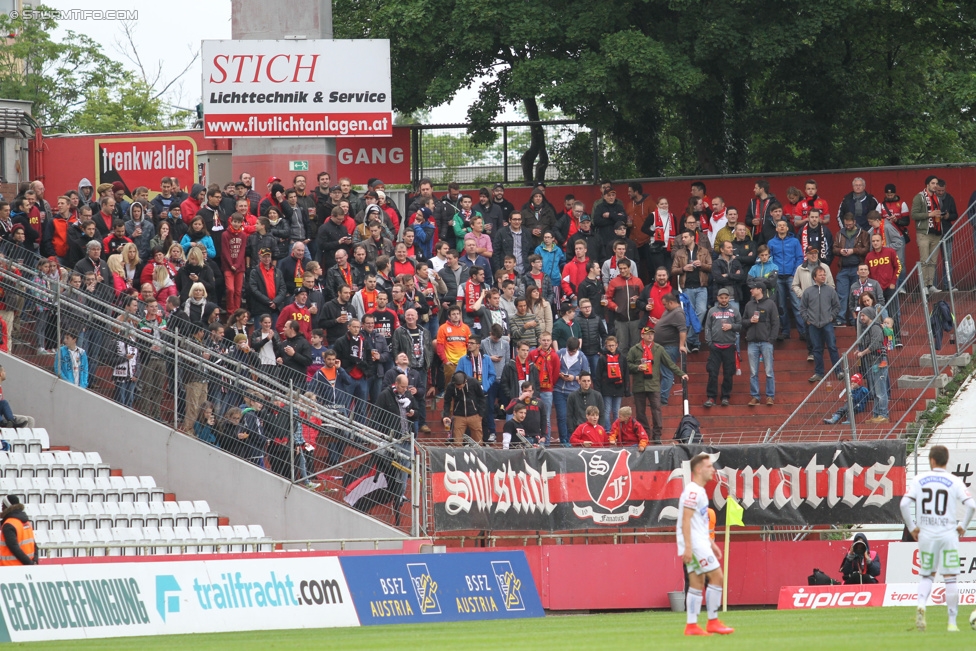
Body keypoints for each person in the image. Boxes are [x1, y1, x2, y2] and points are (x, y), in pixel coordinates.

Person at [900, 445, 976, 632]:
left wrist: (912, 528)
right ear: (946, 460)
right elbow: (971, 505)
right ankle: (952, 623)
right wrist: (963, 526)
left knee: (927, 576)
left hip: (926, 534)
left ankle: (921, 605)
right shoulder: (954, 481)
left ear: (931, 460)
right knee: (950, 579)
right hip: (948, 534)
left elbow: (903, 504)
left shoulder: (920, 480)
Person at [678, 453, 734, 636]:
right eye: (709, 466)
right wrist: (688, 546)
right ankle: (713, 621)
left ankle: (691, 626)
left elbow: (698, 522)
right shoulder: (693, 491)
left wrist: (711, 543)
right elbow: (685, 520)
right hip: (694, 544)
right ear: (699, 469)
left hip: (698, 541)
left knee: (697, 582)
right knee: (717, 577)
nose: (713, 470)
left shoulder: (699, 491)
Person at [626, 327, 686, 442]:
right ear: (642, 335)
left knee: (656, 410)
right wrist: (637, 367)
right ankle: (645, 433)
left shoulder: (658, 349)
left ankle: (657, 434)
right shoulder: (635, 349)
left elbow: (669, 363)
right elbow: (627, 365)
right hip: (639, 384)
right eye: (647, 334)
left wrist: (681, 373)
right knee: (640, 411)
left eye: (652, 334)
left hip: (653, 384)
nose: (650, 336)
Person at [801, 266, 841, 383]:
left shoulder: (830, 290)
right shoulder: (808, 291)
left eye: (824, 274)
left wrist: (831, 317)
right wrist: (807, 319)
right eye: (820, 275)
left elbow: (837, 306)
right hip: (813, 325)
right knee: (817, 349)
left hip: (827, 323)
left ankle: (839, 371)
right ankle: (819, 373)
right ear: (814, 277)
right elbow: (803, 308)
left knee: (832, 347)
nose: (823, 276)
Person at [742, 281, 779, 406]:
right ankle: (755, 396)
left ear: (760, 290)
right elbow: (743, 321)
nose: (751, 291)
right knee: (753, 372)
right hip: (752, 342)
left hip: (766, 342)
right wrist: (749, 321)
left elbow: (775, 322)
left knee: (769, 371)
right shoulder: (748, 305)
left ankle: (770, 396)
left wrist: (771, 339)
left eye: (753, 289)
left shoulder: (770, 304)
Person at [703, 288, 741, 407]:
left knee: (728, 373)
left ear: (729, 298)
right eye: (721, 297)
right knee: (713, 372)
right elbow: (707, 327)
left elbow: (740, 326)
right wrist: (709, 342)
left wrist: (731, 326)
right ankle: (711, 397)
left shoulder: (735, 311)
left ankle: (725, 396)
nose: (724, 300)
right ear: (718, 298)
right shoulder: (712, 311)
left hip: (729, 346)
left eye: (726, 297)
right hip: (715, 346)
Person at [855, 306, 890, 423]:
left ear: (869, 315)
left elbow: (875, 344)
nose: (861, 317)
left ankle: (883, 414)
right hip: (871, 362)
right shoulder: (867, 328)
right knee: (875, 391)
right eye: (861, 315)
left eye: (863, 315)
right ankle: (876, 415)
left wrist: (862, 353)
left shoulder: (875, 327)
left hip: (878, 361)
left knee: (880, 390)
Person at [553, 338, 590, 446]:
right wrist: (559, 374)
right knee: (562, 416)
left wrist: (573, 377)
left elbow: (586, 375)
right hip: (559, 389)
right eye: (569, 350)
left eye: (572, 351)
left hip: (573, 391)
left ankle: (572, 439)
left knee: (573, 417)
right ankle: (564, 440)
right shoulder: (560, 353)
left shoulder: (582, 357)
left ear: (577, 348)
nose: (570, 353)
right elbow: (554, 367)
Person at [910, 175, 944, 294]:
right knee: (924, 260)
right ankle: (923, 286)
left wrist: (941, 215)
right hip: (924, 232)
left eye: (936, 183)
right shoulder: (919, 197)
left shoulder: (937, 197)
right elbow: (914, 215)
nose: (935, 185)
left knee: (933, 261)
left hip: (936, 232)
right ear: (927, 184)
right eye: (933, 183)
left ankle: (930, 284)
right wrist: (930, 214)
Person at [442, 371, 485, 445]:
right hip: (459, 416)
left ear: (465, 381)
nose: (459, 389)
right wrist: (446, 415)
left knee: (478, 441)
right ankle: (459, 456)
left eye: (460, 386)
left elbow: (482, 397)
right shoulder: (450, 386)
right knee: (457, 441)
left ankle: (478, 455)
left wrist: (480, 414)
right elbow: (447, 401)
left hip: (474, 415)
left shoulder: (474, 382)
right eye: (457, 387)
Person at [0, 495, 37, 565]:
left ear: (7, 506)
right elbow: (34, 545)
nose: (1, 508)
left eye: (3, 505)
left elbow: (14, 548)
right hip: (27, 566)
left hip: (11, 567)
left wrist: (29, 563)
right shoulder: (26, 522)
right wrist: (34, 561)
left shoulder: (9, 524)